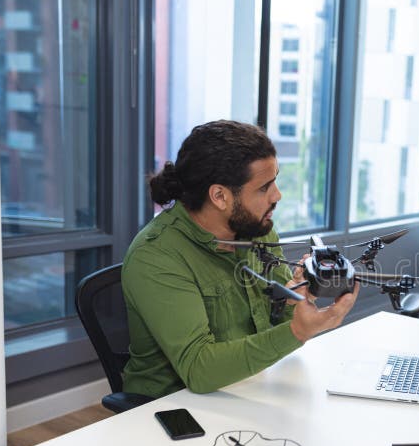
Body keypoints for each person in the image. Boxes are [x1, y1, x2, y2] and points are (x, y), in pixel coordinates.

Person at [122, 120, 358, 398]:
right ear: (219, 196)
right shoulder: (156, 255)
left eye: (276, 180)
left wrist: (294, 301)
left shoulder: (257, 231)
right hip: (172, 407)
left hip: (248, 386)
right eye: (264, 187)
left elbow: (277, 327)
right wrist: (297, 331)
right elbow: (199, 370)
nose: (278, 195)